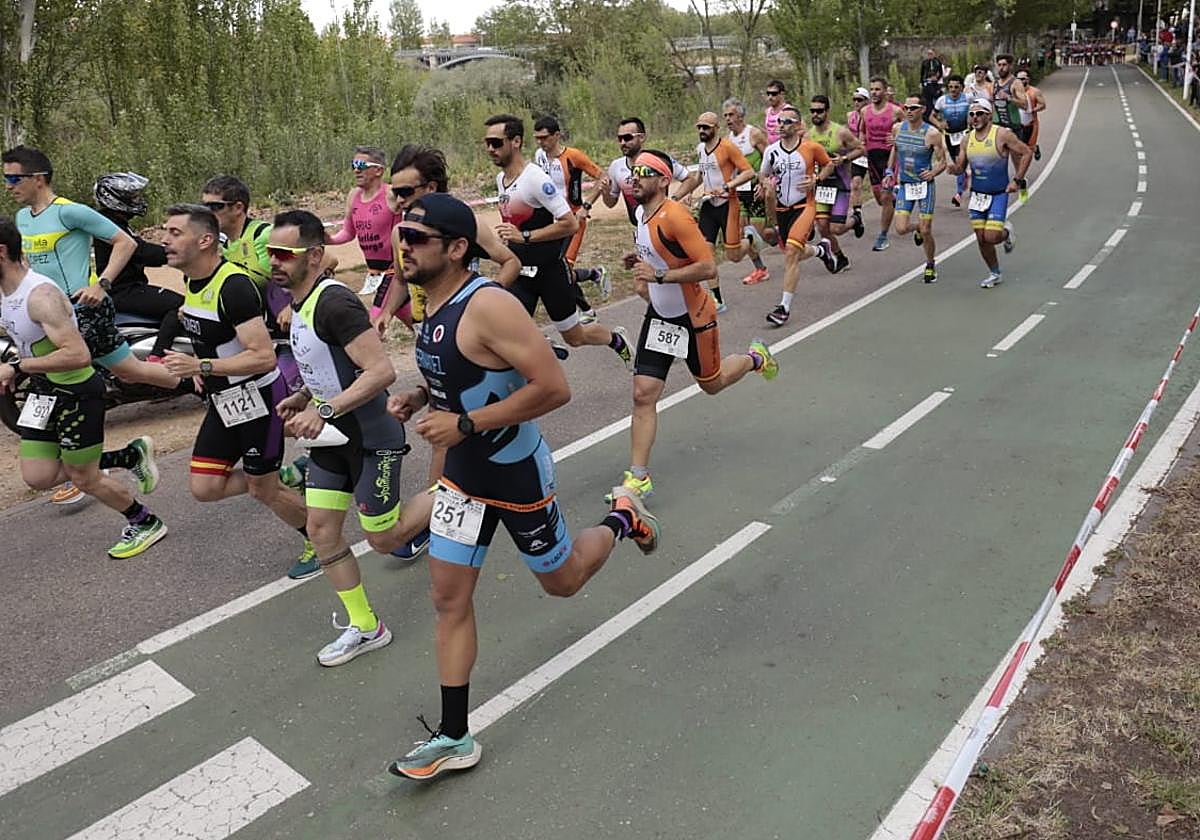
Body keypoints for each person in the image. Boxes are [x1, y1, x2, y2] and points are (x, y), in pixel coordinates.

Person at [384, 193, 660, 781]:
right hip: (462, 478)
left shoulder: (488, 305)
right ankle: (454, 735)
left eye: (416, 238)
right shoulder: (430, 304)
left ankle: (622, 517)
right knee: (448, 600)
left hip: (514, 473)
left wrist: (464, 423)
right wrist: (422, 396)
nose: (402, 246)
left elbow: (555, 388)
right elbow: (468, 374)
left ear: (457, 249)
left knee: (562, 583)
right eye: (401, 234)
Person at [270, 209, 436, 665]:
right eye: (271, 253)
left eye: (285, 253)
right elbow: (329, 366)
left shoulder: (334, 302)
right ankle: (366, 626)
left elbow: (380, 371)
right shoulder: (299, 305)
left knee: (384, 540)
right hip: (330, 439)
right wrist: (303, 396)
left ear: (316, 255)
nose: (275, 262)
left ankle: (458, 494)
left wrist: (323, 409)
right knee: (322, 531)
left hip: (370, 436)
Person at [3, 146, 183, 506]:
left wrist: (102, 284)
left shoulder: (70, 211)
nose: (8, 186)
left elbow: (124, 242)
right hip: (41, 316)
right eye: (5, 179)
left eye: (13, 178)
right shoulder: (22, 218)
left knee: (125, 371)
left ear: (38, 178)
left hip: (79, 310)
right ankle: (90, 467)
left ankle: (208, 381)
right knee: (123, 373)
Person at [609, 149, 779, 500]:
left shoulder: (676, 217)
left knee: (712, 384)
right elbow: (658, 253)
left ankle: (755, 358)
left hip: (694, 316)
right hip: (660, 318)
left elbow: (708, 268)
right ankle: (638, 476)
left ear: (663, 180)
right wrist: (639, 259)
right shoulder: (641, 213)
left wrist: (660, 274)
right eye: (634, 171)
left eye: (645, 171)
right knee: (643, 394)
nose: (635, 176)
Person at [160, 204, 318, 579]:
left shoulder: (233, 286)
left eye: (174, 233)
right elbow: (211, 333)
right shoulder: (192, 281)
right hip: (223, 401)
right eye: (164, 232)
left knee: (263, 490)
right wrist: (205, 368)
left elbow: (263, 358)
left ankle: (318, 537)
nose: (164, 240)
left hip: (258, 401)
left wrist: (201, 366)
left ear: (205, 240)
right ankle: (286, 477)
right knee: (205, 487)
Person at [0, 217, 166, 558]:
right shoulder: (7, 284)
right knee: (38, 475)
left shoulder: (41, 296)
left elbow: (78, 355)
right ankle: (128, 456)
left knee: (83, 477)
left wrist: (17, 367)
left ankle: (145, 521)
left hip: (77, 392)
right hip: (44, 390)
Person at [484, 114, 632, 369]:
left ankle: (616, 340)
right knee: (503, 329)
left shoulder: (535, 179)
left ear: (516, 141)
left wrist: (525, 236)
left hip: (550, 271)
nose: (490, 149)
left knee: (575, 337)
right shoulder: (501, 180)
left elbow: (570, 224)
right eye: (487, 143)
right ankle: (538, 346)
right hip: (520, 270)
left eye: (496, 143)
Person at [373, 144, 520, 337]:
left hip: (467, 328)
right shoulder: (399, 231)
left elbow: (511, 262)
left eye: (406, 192)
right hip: (425, 327)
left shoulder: (466, 223)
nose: (399, 199)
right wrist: (387, 313)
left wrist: (485, 297)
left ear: (431, 187)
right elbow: (401, 281)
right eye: (395, 192)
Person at [759, 105, 839, 327]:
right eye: (779, 122)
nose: (781, 126)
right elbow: (763, 174)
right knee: (793, 252)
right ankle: (821, 250)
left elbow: (829, 165)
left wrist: (816, 179)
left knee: (791, 254)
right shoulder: (771, 151)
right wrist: (764, 184)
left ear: (797, 125)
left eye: (786, 122)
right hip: (782, 210)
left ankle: (783, 308)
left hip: (805, 205)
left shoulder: (810, 148)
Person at [92, 172, 184, 362]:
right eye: (132, 196)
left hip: (126, 288)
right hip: (123, 290)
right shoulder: (108, 224)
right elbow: (140, 252)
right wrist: (179, 253)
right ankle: (157, 357)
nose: (138, 200)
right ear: (114, 198)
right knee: (181, 306)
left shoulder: (115, 222)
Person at [672, 111, 757, 312]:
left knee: (734, 256)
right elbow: (701, 175)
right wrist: (688, 193)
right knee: (705, 253)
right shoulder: (701, 149)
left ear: (716, 128)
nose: (702, 131)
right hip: (709, 205)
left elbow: (748, 172)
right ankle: (717, 299)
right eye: (699, 127)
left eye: (706, 127)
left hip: (728, 203)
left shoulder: (728, 147)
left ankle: (750, 240)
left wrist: (728, 186)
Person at [532, 116, 611, 322]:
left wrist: (586, 205)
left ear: (557, 135)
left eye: (545, 138)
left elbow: (603, 176)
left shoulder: (573, 156)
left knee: (564, 268)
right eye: (537, 138)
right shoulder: (539, 155)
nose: (541, 142)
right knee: (555, 269)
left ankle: (586, 311)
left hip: (573, 220)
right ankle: (594, 276)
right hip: (550, 221)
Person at [947, 99, 1032, 288]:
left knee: (992, 237)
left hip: (998, 193)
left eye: (979, 113)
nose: (975, 117)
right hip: (977, 195)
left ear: (988, 114)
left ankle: (1006, 232)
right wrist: (954, 169)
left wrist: (1017, 180)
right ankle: (995, 273)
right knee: (981, 238)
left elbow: (1026, 152)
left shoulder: (1002, 134)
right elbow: (961, 166)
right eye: (972, 114)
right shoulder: (966, 139)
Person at [324, 146, 404, 320]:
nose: (355, 170)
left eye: (361, 164)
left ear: (378, 170)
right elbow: (348, 232)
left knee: (374, 323)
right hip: (374, 272)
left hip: (395, 270)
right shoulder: (353, 196)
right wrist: (328, 239)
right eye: (353, 164)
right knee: (415, 321)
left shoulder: (391, 194)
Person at [885, 94, 946, 283]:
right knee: (901, 229)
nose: (909, 111)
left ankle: (930, 263)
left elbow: (942, 162)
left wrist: (933, 173)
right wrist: (889, 172)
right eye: (906, 108)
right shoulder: (897, 129)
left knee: (927, 230)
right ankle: (917, 228)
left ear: (923, 110)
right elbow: (895, 150)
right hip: (905, 185)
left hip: (924, 186)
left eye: (913, 108)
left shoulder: (932, 133)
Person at [807, 94, 866, 273]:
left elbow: (861, 148)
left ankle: (855, 220)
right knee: (823, 227)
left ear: (827, 111)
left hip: (840, 185)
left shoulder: (840, 131)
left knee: (837, 228)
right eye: (812, 111)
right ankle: (840, 257)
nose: (815, 114)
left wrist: (845, 158)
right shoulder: (809, 135)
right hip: (822, 186)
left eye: (819, 111)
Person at [721, 97, 773, 286]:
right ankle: (760, 269)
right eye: (725, 115)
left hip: (756, 189)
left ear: (740, 115)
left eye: (731, 115)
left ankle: (776, 235)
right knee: (747, 234)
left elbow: (770, 157)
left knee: (756, 235)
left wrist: (763, 182)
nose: (728, 119)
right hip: (739, 192)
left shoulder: (754, 134)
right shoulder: (727, 140)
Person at [602, 116, 691, 226]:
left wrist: (674, 199)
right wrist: (605, 193)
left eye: (627, 137)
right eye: (619, 139)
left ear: (642, 137)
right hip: (639, 226)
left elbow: (689, 178)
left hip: (665, 223)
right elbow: (610, 204)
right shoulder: (616, 166)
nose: (623, 142)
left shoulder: (659, 160)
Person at [862, 78, 903, 251]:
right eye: (872, 89)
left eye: (878, 89)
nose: (874, 93)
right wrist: (861, 143)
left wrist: (898, 138)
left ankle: (883, 236)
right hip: (872, 157)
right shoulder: (865, 111)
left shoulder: (895, 111)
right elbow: (861, 132)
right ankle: (897, 198)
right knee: (880, 199)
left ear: (885, 91)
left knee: (885, 196)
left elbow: (911, 127)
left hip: (890, 157)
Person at [931, 75, 972, 206]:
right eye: (950, 87)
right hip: (951, 136)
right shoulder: (942, 101)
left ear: (961, 87)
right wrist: (939, 124)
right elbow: (932, 116)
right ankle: (964, 178)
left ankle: (959, 193)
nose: (953, 90)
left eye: (956, 87)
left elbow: (978, 111)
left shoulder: (968, 98)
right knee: (957, 165)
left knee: (963, 162)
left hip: (966, 134)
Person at [847, 87, 871, 220]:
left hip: (872, 154)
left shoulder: (873, 115)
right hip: (858, 155)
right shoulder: (850, 116)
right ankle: (857, 214)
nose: (856, 102)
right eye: (854, 99)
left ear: (866, 101)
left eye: (859, 100)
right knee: (855, 184)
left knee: (882, 191)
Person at [990, 54, 1028, 133]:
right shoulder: (994, 83)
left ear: (1010, 66)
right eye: (999, 65)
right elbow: (993, 104)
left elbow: (1025, 105)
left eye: (1004, 65)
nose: (1001, 68)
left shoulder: (1016, 83)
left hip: (1012, 126)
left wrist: (1009, 98)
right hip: (997, 126)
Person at [1015, 68, 1046, 160]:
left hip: (1031, 124)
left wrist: (1032, 110)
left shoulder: (1035, 91)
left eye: (1023, 78)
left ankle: (1035, 148)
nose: (1021, 81)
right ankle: (1021, 173)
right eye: (1019, 79)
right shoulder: (1013, 91)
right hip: (1017, 124)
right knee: (1018, 149)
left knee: (1029, 147)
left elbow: (1043, 105)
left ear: (1028, 79)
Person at [920, 48, 945, 116]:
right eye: (928, 54)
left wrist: (937, 78)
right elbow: (922, 73)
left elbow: (941, 72)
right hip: (927, 81)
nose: (930, 55)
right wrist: (922, 83)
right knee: (927, 98)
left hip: (935, 82)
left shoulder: (937, 62)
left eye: (931, 54)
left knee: (936, 96)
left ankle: (936, 112)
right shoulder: (925, 62)